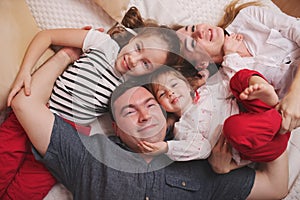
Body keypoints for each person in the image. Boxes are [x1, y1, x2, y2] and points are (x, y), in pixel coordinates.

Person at [10, 55, 289, 199]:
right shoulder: (89, 155)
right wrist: (66, 55)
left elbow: (276, 188)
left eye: (150, 103)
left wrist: (278, 119)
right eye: (129, 112)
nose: (144, 114)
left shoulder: (203, 160)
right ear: (116, 129)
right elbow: (25, 104)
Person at [1, 7, 181, 199]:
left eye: (146, 64)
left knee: (22, 193)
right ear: (132, 37)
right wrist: (25, 71)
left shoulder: (129, 86)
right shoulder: (101, 42)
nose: (133, 60)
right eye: (138, 48)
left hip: (64, 137)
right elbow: (47, 36)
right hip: (37, 109)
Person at [175, 0, 300, 134]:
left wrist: (295, 95)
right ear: (201, 64)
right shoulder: (228, 82)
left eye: (193, 27)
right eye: (193, 43)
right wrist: (230, 55)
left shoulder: (248, 18)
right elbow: (267, 107)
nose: (199, 31)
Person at [137, 66, 290, 165]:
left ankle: (270, 100)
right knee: (232, 127)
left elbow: (232, 88)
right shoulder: (182, 127)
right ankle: (278, 117)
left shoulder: (207, 93)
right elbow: (202, 149)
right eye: (162, 94)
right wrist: (167, 147)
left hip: (259, 117)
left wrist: (244, 85)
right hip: (260, 144)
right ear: (162, 107)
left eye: (174, 84)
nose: (170, 92)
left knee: (237, 79)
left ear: (187, 84)